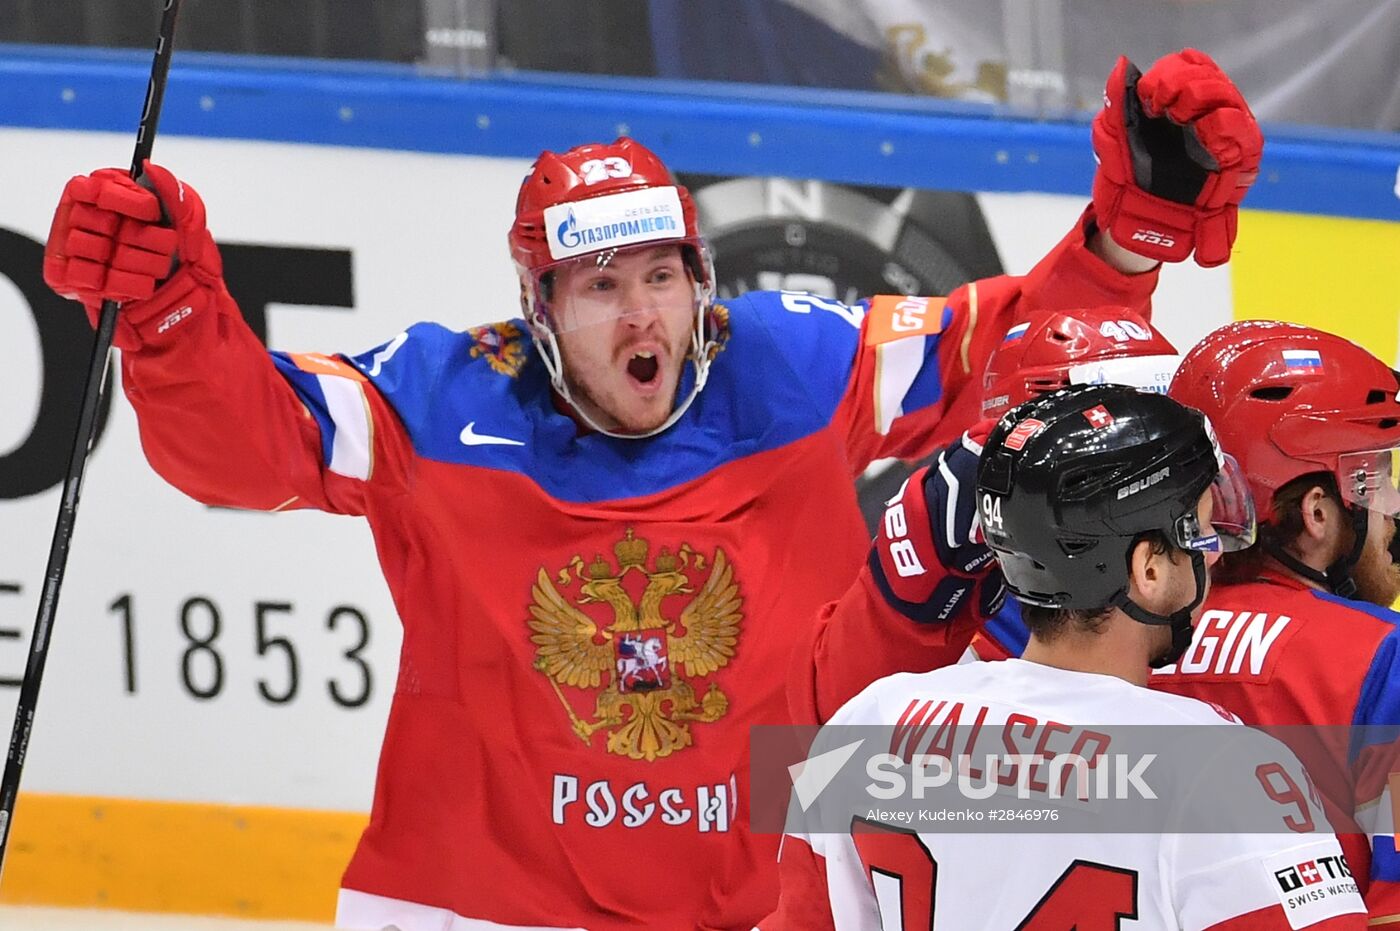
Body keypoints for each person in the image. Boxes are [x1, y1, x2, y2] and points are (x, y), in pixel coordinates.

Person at [40, 51, 1258, 931]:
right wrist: (174, 315)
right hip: (475, 904)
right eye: (599, 285)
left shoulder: (794, 364)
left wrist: (1127, 231)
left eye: (662, 277)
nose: (641, 315)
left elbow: (1003, 340)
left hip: (761, 901)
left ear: (700, 281)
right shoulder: (437, 396)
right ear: (538, 309)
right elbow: (243, 446)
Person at [765, 384, 1366, 930]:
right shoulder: (1227, 770)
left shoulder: (864, 724)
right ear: (1149, 570)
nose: (1213, 557)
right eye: (1200, 535)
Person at [1152, 322, 1400, 920]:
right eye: (1381, 479)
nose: (1394, 508)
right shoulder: (1381, 656)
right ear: (1318, 512)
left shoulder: (1117, 636)